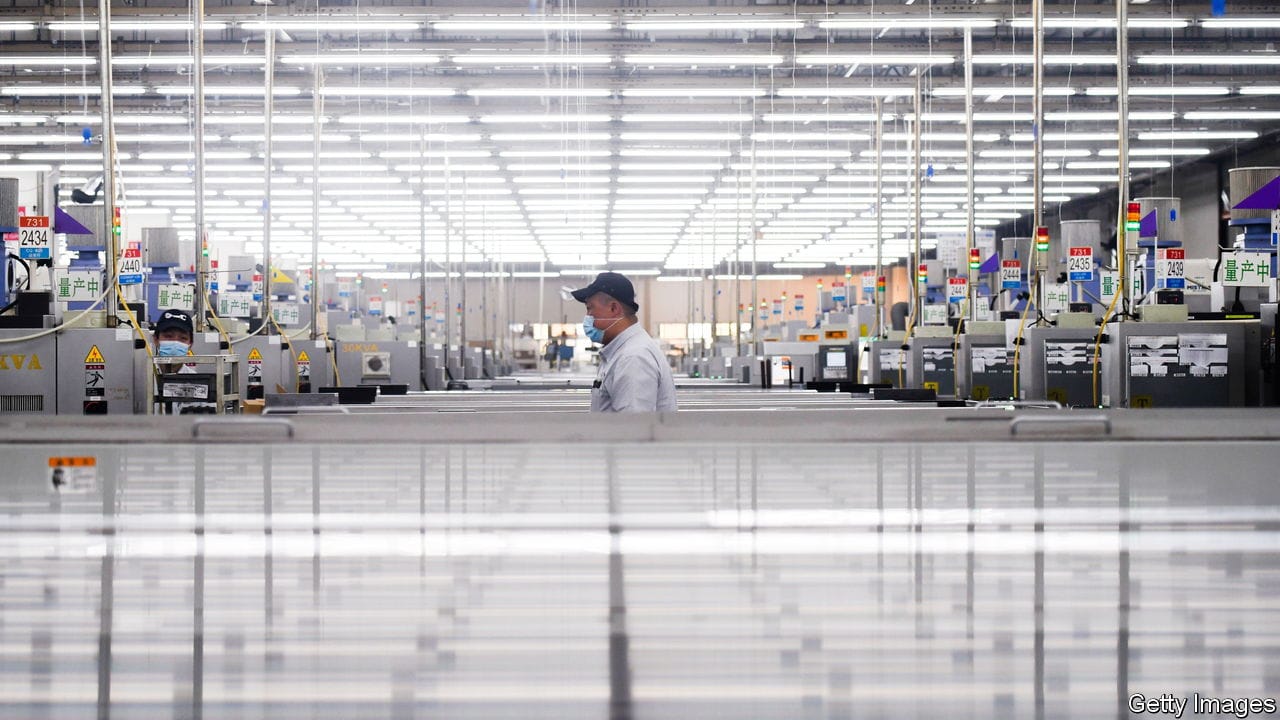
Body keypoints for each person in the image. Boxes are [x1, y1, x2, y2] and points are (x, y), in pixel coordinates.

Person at [570, 271, 677, 413]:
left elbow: (633, 430)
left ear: (614, 308)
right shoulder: (622, 352)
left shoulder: (633, 358)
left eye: (590, 308)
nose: (587, 317)